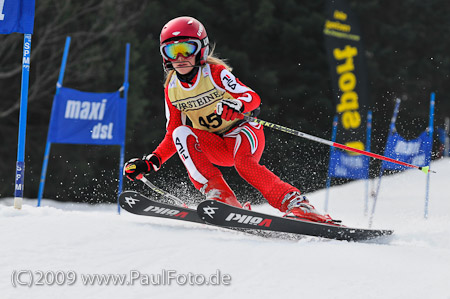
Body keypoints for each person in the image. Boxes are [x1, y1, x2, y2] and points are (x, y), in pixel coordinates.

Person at [124, 16, 333, 223]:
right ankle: (221, 195)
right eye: (172, 51)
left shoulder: (214, 73)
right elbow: (173, 134)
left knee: (244, 164)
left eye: (186, 49)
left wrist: (238, 105)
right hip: (215, 145)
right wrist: (151, 162)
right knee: (181, 133)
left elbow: (252, 97)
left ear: (201, 50)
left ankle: (296, 203)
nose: (180, 58)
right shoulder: (172, 89)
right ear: (164, 56)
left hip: (243, 132)